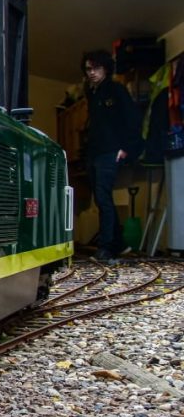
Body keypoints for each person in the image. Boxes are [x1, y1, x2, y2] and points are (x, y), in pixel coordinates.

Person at [81, 49, 141, 261]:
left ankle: (106, 247)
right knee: (100, 198)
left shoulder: (116, 90)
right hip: (94, 153)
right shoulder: (92, 93)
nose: (92, 72)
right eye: (88, 69)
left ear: (105, 68)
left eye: (96, 68)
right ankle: (119, 243)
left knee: (103, 196)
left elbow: (133, 120)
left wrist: (126, 148)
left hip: (111, 152)